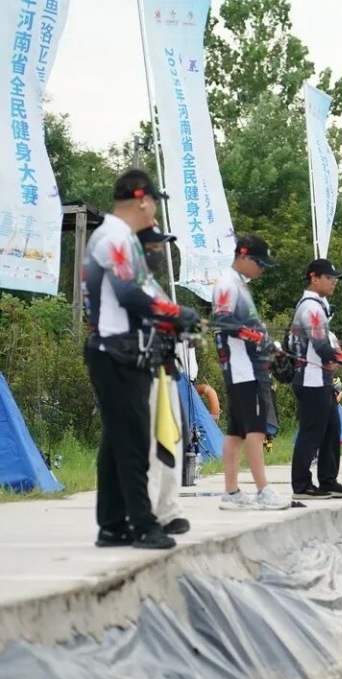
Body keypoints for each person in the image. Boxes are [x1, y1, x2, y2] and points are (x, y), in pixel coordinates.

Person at [83, 169, 201, 549]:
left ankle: (113, 525)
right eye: (154, 207)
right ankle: (142, 525)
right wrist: (175, 315)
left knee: (117, 441)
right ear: (143, 200)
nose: (155, 218)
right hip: (115, 352)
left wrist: (175, 317)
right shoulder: (114, 236)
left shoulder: (121, 237)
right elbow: (131, 295)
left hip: (123, 352)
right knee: (132, 440)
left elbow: (145, 295)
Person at [212, 235, 290, 511]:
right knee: (256, 430)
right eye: (259, 263)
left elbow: (245, 326)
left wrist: (270, 344)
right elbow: (222, 321)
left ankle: (231, 493)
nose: (262, 269)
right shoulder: (227, 284)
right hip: (244, 370)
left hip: (248, 368)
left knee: (236, 433)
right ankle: (263, 491)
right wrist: (259, 339)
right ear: (243, 257)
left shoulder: (240, 285)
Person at [289, 258, 342, 499]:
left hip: (321, 381)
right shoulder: (311, 308)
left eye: (336, 278)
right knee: (311, 433)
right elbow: (323, 348)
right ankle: (301, 486)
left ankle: (327, 481)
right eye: (330, 278)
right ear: (314, 278)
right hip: (310, 380)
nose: (335, 282)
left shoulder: (319, 304)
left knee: (332, 430)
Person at [137, 225, 190, 537]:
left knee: (171, 439)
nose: (160, 251)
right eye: (155, 246)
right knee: (148, 445)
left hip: (166, 369)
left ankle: (168, 510)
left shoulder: (153, 285)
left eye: (162, 246)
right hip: (142, 370)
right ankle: (145, 512)